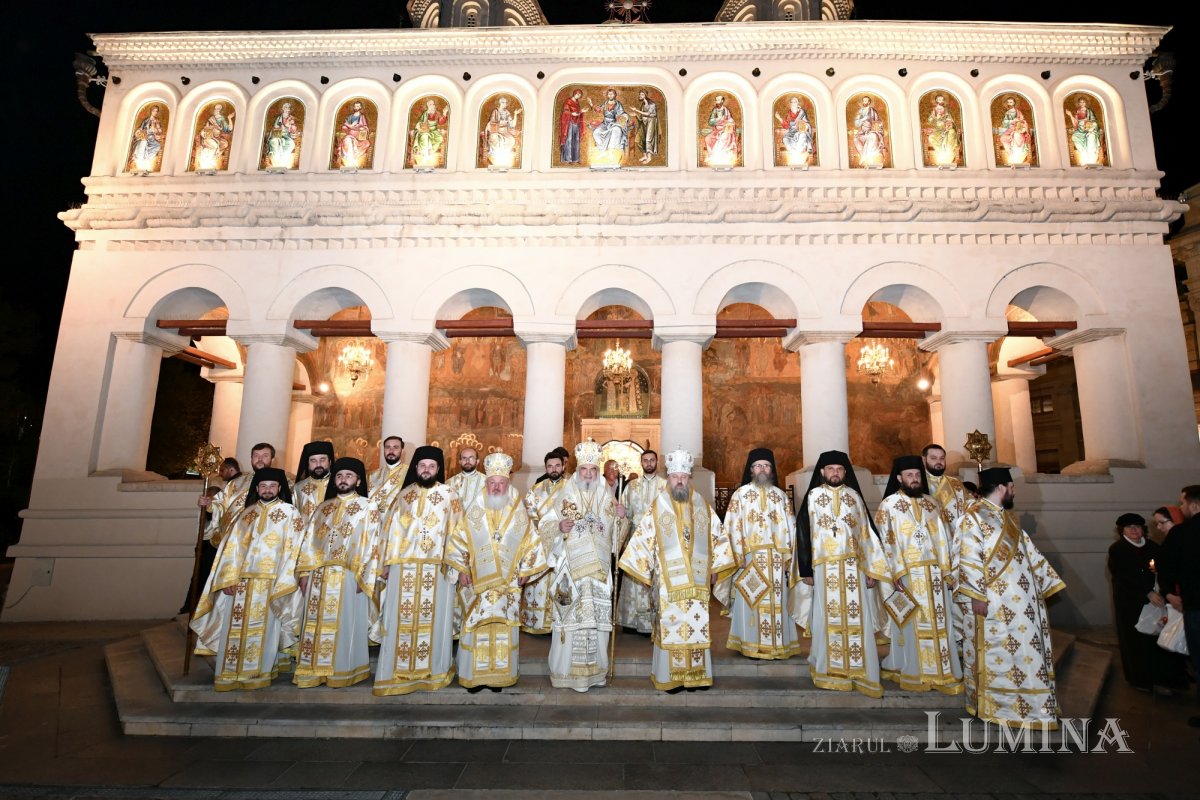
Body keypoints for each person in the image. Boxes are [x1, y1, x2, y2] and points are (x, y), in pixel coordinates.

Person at [956, 467, 1065, 729]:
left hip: (1023, 603)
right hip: (994, 603)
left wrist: (1046, 582)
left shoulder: (1009, 518)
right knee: (999, 654)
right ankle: (1000, 706)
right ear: (1002, 487)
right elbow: (966, 557)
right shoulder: (972, 517)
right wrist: (975, 595)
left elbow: (1028, 553)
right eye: (1012, 486)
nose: (1014, 491)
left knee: (1027, 652)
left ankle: (1031, 707)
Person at [620, 448, 735, 691]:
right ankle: (670, 676)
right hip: (668, 581)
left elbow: (719, 537)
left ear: (689, 477)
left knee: (697, 624)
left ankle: (696, 675)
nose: (679, 481)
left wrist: (715, 566)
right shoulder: (657, 506)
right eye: (675, 477)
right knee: (670, 625)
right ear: (669, 478)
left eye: (683, 476)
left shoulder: (702, 505)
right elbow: (643, 538)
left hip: (697, 579)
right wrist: (644, 569)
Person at [189, 468, 305, 691]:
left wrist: (284, 581)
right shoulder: (244, 514)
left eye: (272, 486)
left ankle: (256, 674)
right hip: (240, 583)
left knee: (263, 630)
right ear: (257, 489)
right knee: (235, 629)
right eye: (263, 486)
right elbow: (230, 549)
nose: (267, 490)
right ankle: (230, 673)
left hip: (270, 582)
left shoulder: (291, 513)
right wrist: (229, 579)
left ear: (280, 488)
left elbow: (295, 549)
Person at [445, 452, 547, 691]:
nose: (497, 487)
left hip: (508, 582)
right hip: (478, 580)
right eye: (493, 483)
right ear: (486, 483)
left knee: (502, 625)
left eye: (501, 483)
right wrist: (461, 569)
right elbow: (458, 539)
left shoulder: (517, 509)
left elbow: (530, 542)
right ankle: (474, 676)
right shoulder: (475, 509)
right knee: (477, 624)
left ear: (507, 483)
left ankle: (500, 676)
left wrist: (526, 570)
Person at [276, 458, 379, 689]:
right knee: (314, 624)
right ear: (335, 480)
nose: (344, 480)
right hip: (318, 577)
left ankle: (342, 671)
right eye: (340, 476)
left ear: (358, 480)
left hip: (348, 576)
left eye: (349, 476)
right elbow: (309, 542)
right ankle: (312, 670)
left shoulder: (367, 506)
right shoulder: (323, 508)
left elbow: (372, 542)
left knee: (343, 624)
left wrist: (366, 575)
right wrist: (303, 573)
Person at [795, 450, 891, 697]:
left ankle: (861, 672)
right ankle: (829, 670)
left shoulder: (854, 498)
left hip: (854, 571)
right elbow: (803, 534)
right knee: (828, 619)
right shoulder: (813, 497)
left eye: (839, 469)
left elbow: (867, 535)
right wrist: (805, 569)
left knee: (858, 620)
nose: (835, 473)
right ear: (823, 472)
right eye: (830, 469)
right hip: (824, 569)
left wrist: (872, 570)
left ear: (845, 472)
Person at [371, 446, 462, 695]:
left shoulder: (449, 495)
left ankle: (433, 672)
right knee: (400, 622)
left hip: (438, 571)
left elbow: (457, 532)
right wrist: (385, 565)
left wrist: (456, 566)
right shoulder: (403, 496)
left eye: (432, 466)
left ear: (438, 469)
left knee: (434, 622)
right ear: (415, 468)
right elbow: (387, 533)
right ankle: (395, 674)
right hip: (403, 571)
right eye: (422, 466)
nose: (426, 470)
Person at [538, 438, 626, 691]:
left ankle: (595, 673)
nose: (588, 474)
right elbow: (545, 526)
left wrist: (622, 519)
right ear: (578, 472)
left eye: (593, 470)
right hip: (571, 571)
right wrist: (558, 527)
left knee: (595, 623)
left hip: (597, 573)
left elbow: (616, 537)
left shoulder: (607, 498)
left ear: (598, 473)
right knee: (571, 621)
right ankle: (566, 673)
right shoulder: (565, 496)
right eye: (584, 470)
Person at [874, 456, 962, 694]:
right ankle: (911, 669)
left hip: (935, 575)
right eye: (909, 475)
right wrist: (895, 572)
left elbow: (945, 539)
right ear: (899, 478)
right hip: (907, 575)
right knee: (911, 623)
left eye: (917, 475)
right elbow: (885, 541)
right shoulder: (888, 505)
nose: (914, 479)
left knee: (940, 623)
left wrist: (947, 571)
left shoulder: (933, 504)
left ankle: (943, 671)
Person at [718, 448, 802, 660]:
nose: (762, 469)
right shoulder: (741, 495)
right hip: (749, 560)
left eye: (766, 465)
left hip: (776, 560)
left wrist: (788, 559)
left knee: (778, 602)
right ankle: (750, 644)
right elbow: (731, 527)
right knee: (751, 601)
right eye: (758, 466)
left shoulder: (780, 496)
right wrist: (738, 559)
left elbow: (791, 528)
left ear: (772, 470)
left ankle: (778, 646)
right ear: (751, 470)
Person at [1107, 513, 1186, 693]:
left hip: (1157, 601)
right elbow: (1122, 575)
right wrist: (1147, 592)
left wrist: (1162, 590)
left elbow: (1165, 570)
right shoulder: (1118, 549)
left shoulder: (1153, 547)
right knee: (1136, 642)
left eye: (1137, 527)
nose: (1134, 530)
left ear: (1144, 529)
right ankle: (1140, 680)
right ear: (1122, 531)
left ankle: (1163, 679)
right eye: (1129, 528)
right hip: (1131, 602)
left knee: (1157, 640)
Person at [1157, 485, 1200, 728]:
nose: (1182, 508)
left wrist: (1169, 592)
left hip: (1195, 606)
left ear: (1194, 505)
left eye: (1183, 504)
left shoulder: (1183, 534)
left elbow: (1167, 568)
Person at [616, 449, 666, 634]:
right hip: (634, 541)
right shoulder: (631, 486)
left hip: (655, 542)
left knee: (652, 580)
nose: (649, 463)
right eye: (645, 460)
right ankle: (631, 621)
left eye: (652, 460)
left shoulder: (665, 486)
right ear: (641, 463)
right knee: (633, 579)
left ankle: (651, 623)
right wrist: (621, 514)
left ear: (656, 462)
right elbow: (625, 514)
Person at [522, 449, 570, 635]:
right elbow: (529, 515)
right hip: (540, 544)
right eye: (550, 466)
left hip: (564, 545)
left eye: (557, 465)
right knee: (539, 584)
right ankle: (538, 624)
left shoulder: (571, 487)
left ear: (564, 466)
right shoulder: (536, 489)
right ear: (546, 467)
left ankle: (559, 622)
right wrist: (542, 532)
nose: (554, 469)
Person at [197, 443, 277, 546]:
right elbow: (221, 504)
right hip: (235, 541)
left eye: (265, 455)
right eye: (256, 455)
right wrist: (209, 505)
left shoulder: (285, 484)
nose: (260, 459)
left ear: (272, 459)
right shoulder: (236, 483)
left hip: (267, 541)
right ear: (251, 458)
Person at [292, 441, 335, 522]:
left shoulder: (338, 485)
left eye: (322, 460)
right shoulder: (298, 488)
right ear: (307, 463)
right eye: (313, 460)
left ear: (330, 462)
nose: (318, 464)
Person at [368, 435, 408, 514]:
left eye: (395, 447)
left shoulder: (409, 472)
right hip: (374, 521)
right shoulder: (372, 475)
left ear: (402, 451)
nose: (391, 450)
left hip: (396, 521)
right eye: (387, 447)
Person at [193, 102, 234, 169]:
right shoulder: (211, 119)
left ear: (220, 111)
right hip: (209, 137)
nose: (216, 110)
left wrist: (229, 118)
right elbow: (205, 128)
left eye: (218, 109)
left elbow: (229, 129)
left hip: (217, 138)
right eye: (215, 109)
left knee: (225, 144)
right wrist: (211, 128)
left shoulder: (222, 119)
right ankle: (207, 163)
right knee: (214, 146)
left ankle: (214, 158)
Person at [995, 95, 1033, 166]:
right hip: (1010, 130)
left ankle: (1017, 158)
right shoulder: (1008, 113)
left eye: (1011, 102)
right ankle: (1011, 155)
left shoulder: (1018, 112)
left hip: (1019, 129)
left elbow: (1023, 120)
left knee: (1016, 136)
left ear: (1014, 103)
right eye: (1008, 102)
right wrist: (1012, 120)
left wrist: (1018, 121)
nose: (1009, 103)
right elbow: (1005, 123)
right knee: (1002, 138)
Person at [1066, 95, 1104, 165]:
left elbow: (1094, 121)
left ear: (1085, 103)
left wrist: (1089, 124)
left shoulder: (1089, 111)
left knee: (1091, 136)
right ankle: (1083, 153)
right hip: (1080, 129)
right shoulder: (1078, 111)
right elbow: (1076, 123)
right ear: (1079, 103)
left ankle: (1091, 157)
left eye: (1083, 102)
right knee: (1075, 136)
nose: (1082, 103)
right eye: (1080, 102)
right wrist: (1070, 115)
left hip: (1088, 127)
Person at [483, 96, 521, 165]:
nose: (505, 104)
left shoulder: (507, 112)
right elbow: (492, 122)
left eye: (506, 103)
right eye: (503, 102)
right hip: (496, 131)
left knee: (511, 140)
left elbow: (512, 125)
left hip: (505, 132)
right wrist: (504, 122)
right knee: (495, 138)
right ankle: (494, 155)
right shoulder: (495, 111)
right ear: (500, 103)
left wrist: (515, 114)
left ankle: (505, 156)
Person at [775, 95, 813, 165]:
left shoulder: (801, 112)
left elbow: (806, 123)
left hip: (801, 130)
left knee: (803, 135)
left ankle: (798, 152)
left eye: (795, 102)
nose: (793, 103)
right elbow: (787, 126)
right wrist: (779, 118)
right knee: (785, 139)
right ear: (790, 104)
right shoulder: (788, 115)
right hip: (792, 132)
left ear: (798, 103)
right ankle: (794, 152)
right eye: (792, 102)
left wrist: (803, 126)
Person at [923, 93, 960, 164]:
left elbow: (950, 119)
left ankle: (949, 152)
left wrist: (947, 123)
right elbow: (930, 121)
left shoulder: (946, 110)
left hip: (947, 128)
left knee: (951, 133)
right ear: (936, 100)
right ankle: (942, 153)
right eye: (939, 99)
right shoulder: (934, 110)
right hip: (938, 130)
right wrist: (934, 117)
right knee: (931, 137)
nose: (940, 100)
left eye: (942, 99)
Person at [411, 98, 449, 166]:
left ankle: (431, 151)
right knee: (425, 136)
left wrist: (444, 113)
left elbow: (441, 121)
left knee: (440, 138)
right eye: (430, 104)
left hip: (434, 131)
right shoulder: (425, 114)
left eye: (433, 104)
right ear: (428, 106)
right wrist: (419, 127)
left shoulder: (437, 113)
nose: (432, 106)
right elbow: (419, 122)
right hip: (424, 131)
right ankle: (424, 153)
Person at [590, 89, 628, 155]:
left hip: (614, 123)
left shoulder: (618, 104)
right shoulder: (605, 103)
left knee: (616, 130)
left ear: (615, 95)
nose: (610, 96)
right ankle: (602, 149)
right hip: (605, 123)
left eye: (612, 94)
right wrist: (591, 104)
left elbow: (621, 114)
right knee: (596, 132)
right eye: (609, 94)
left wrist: (622, 117)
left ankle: (612, 150)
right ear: (607, 95)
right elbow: (599, 109)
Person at [627, 89, 660, 164]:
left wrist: (636, 110)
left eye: (642, 94)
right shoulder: (643, 104)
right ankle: (645, 155)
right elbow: (642, 117)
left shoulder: (652, 104)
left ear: (645, 95)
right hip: (644, 123)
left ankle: (649, 157)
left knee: (648, 139)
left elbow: (648, 114)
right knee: (640, 139)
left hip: (651, 122)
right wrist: (636, 115)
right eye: (640, 94)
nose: (640, 96)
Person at [263, 100, 300, 168]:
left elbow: (293, 128)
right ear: (283, 109)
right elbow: (275, 127)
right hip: (278, 134)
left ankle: (282, 160)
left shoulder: (291, 118)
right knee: (274, 141)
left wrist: (290, 127)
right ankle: (275, 161)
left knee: (291, 144)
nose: (287, 109)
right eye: (285, 107)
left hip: (287, 136)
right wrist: (279, 127)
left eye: (288, 108)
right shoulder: (279, 118)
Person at [704, 94, 739, 164]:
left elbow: (730, 120)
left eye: (718, 100)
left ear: (722, 101)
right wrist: (717, 119)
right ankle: (712, 156)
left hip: (726, 130)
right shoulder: (715, 110)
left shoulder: (726, 110)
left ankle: (719, 156)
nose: (717, 102)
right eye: (716, 100)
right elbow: (710, 122)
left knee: (723, 138)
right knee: (707, 138)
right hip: (716, 130)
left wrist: (727, 123)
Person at [336, 100, 372, 168]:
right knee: (347, 141)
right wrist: (350, 126)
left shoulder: (362, 116)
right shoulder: (350, 117)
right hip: (350, 135)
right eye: (355, 106)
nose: (356, 107)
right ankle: (349, 160)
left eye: (358, 106)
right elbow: (345, 126)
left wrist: (362, 128)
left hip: (359, 136)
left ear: (360, 107)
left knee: (365, 143)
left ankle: (355, 163)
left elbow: (365, 126)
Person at [129, 104, 164, 171]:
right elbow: (140, 128)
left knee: (157, 146)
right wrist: (139, 131)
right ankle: (139, 161)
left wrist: (155, 128)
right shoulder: (146, 120)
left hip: (152, 137)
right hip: (145, 135)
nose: (155, 112)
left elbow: (160, 131)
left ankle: (147, 159)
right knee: (143, 142)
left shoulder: (157, 120)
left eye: (156, 111)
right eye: (154, 111)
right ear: (151, 111)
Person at [559, 89, 585, 164]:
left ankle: (576, 158)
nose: (578, 96)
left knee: (576, 140)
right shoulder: (568, 101)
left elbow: (578, 112)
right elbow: (565, 111)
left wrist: (581, 112)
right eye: (578, 94)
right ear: (574, 93)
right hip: (569, 122)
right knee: (569, 139)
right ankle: (568, 158)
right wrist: (571, 113)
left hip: (576, 122)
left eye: (580, 95)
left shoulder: (577, 103)